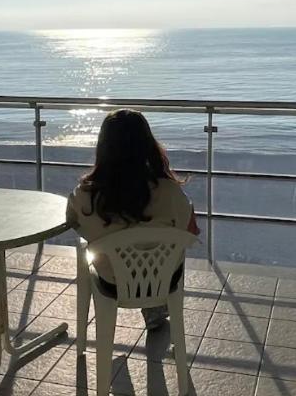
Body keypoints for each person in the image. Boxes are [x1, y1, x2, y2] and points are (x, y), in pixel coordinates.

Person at [66, 108, 200, 330]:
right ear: (147, 145)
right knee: (159, 246)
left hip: (114, 281)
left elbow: (76, 224)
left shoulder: (85, 195)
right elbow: (190, 231)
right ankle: (154, 305)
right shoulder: (169, 191)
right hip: (163, 279)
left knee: (100, 245)